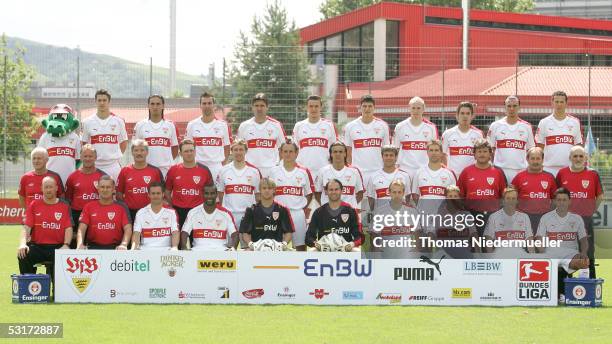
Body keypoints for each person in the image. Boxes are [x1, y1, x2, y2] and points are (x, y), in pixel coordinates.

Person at [556, 145, 603, 278]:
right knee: (565, 254)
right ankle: (563, 289)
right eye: (575, 156)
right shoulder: (562, 173)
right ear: (570, 158)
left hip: (585, 221)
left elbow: (599, 196)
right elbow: (556, 196)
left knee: (588, 254)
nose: (578, 159)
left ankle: (591, 287)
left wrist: (591, 210)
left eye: (581, 156)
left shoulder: (593, 174)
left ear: (586, 158)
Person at [535, 187, 590, 298]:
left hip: (570, 254)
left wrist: (583, 253)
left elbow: (583, 239)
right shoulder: (546, 217)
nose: (561, 203)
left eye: (564, 200)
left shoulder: (577, 218)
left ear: (570, 201)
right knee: (552, 265)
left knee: (584, 262)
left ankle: (580, 294)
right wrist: (542, 254)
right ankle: (559, 293)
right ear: (554, 201)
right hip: (551, 253)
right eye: (559, 200)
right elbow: (539, 238)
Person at [17, 177, 71, 281]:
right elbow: (26, 227)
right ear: (42, 188)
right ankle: (29, 286)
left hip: (57, 247)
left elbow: (68, 227)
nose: (48, 190)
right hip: (38, 247)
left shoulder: (64, 205)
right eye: (46, 187)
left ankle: (58, 289)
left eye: (51, 187)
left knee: (64, 257)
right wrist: (22, 243)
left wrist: (66, 245)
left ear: (56, 188)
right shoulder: (34, 204)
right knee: (23, 254)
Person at [268, 140, 314, 251]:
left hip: (297, 213)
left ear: (296, 153)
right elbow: (268, 192)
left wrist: (302, 207)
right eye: (285, 151)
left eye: (291, 151)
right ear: (281, 153)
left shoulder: (304, 171)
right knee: (275, 245)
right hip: (277, 213)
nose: (288, 154)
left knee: (300, 246)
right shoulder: (273, 171)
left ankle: (300, 267)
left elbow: (309, 193)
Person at [457, 139, 507, 236]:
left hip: (492, 215)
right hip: (472, 215)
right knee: (473, 247)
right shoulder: (466, 172)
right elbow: (460, 197)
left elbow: (504, 196)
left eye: (485, 151)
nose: (482, 154)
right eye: (479, 151)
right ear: (474, 154)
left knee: (489, 247)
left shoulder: (498, 172)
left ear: (490, 154)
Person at [343, 94, 390, 188]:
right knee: (359, 201)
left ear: (374, 108)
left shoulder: (383, 126)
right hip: (358, 172)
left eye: (370, 106)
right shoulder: (350, 126)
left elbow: (387, 151)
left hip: (378, 171)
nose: (367, 109)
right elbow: (348, 152)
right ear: (360, 108)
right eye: (364, 106)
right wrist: (349, 170)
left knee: (378, 201)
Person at [81, 89, 128, 181]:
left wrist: (113, 156)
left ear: (109, 102)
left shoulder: (119, 121)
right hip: (95, 166)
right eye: (99, 100)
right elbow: (84, 144)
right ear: (95, 102)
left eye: (104, 100)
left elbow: (124, 142)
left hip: (113, 166)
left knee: (114, 193)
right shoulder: (87, 122)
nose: (102, 103)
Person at [165, 139, 213, 228]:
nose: (189, 153)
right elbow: (167, 191)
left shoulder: (204, 170)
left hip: (198, 211)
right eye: (186, 151)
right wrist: (173, 206)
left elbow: (211, 193)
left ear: (195, 152)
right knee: (178, 240)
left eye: (191, 150)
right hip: (178, 210)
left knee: (197, 241)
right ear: (181, 154)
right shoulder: (173, 170)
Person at [65, 145, 108, 243]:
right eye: (85, 156)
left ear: (95, 158)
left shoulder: (103, 176)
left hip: (98, 214)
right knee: (76, 242)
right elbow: (68, 199)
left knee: (96, 242)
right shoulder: (73, 177)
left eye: (90, 156)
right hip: (77, 214)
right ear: (80, 157)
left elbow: (108, 197)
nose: (87, 159)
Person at [184, 92, 231, 181]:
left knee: (217, 194)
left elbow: (227, 147)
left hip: (217, 168)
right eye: (204, 103)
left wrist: (222, 164)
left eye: (209, 103)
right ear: (200, 106)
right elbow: (186, 147)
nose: (207, 106)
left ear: (214, 105)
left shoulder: (223, 125)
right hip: (198, 166)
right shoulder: (192, 124)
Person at [487, 95, 535, 182]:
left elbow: (531, 150)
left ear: (519, 107)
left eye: (514, 106)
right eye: (509, 106)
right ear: (505, 107)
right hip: (500, 170)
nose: (511, 109)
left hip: (521, 170)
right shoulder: (495, 126)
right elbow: (489, 149)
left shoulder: (526, 126)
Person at [236, 93, 286, 178]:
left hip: (271, 170)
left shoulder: (276, 125)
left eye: (262, 105)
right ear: (252, 107)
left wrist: (279, 167)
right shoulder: (244, 126)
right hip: (249, 170)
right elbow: (237, 149)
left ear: (267, 107)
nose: (259, 108)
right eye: (256, 105)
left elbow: (284, 148)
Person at [76, 175, 132, 250]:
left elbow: (128, 228)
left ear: (113, 189)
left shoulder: (122, 207)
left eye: (108, 187)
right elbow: (81, 228)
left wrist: (124, 244)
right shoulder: (88, 206)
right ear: (98, 189)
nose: (105, 190)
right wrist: (80, 244)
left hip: (116, 248)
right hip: (92, 247)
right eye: (102, 187)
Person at [217, 139, 262, 230]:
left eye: (241, 149)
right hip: (229, 214)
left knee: (247, 244)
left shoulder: (254, 171)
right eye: (235, 150)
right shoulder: (223, 170)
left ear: (246, 151)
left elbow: (258, 195)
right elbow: (220, 194)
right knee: (229, 244)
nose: (238, 152)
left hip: (248, 215)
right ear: (231, 151)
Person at [306, 179, 362, 251]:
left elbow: (360, 236)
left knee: (358, 251)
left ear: (342, 191)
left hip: (345, 249)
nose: (334, 192)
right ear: (326, 191)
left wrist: (352, 244)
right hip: (324, 249)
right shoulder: (318, 212)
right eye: (331, 190)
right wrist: (316, 244)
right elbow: (308, 237)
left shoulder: (351, 211)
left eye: (336, 189)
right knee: (312, 251)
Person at [536, 91, 583, 176]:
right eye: (556, 102)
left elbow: (578, 146)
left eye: (562, 102)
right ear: (552, 103)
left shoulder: (575, 122)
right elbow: (539, 147)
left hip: (569, 168)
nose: (559, 104)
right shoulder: (544, 122)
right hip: (548, 168)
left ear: (566, 103)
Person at [511, 147, 557, 232]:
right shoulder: (519, 177)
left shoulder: (550, 177)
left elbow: (555, 199)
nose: (535, 162)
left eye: (538, 158)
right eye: (532, 158)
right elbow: (510, 199)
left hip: (544, 218)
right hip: (523, 218)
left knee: (542, 244)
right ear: (527, 159)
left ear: (542, 159)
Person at [239, 178, 294, 249]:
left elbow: (288, 232)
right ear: (260, 190)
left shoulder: (282, 210)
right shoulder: (251, 210)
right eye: (264, 188)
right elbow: (245, 232)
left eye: (270, 188)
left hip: (276, 249)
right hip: (257, 249)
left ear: (274, 190)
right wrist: (251, 244)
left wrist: (284, 244)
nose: (267, 190)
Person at [292, 95, 338, 181]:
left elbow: (335, 149)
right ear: (307, 107)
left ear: (321, 107)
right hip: (303, 171)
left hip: (324, 170)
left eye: (316, 106)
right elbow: (293, 150)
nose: (313, 109)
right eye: (311, 106)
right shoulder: (299, 126)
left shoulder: (329, 125)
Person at [393, 96, 438, 183]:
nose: (416, 110)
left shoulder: (431, 127)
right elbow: (396, 149)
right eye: (413, 108)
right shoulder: (400, 126)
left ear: (423, 109)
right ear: (409, 108)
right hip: (404, 169)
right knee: (405, 196)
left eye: (418, 108)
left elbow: (435, 150)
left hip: (424, 168)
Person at [116, 139, 164, 221]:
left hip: (151, 212)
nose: (139, 153)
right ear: (132, 152)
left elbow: (162, 193)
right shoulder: (125, 171)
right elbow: (119, 193)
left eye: (142, 150)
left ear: (147, 152)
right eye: (136, 150)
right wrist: (126, 207)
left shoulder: (155, 171)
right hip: (131, 213)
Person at [370, 179, 420, 256]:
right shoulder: (379, 212)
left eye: (399, 192)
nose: (397, 195)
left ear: (403, 193)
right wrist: (376, 254)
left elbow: (417, 235)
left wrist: (415, 254)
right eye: (394, 192)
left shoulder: (412, 211)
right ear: (389, 193)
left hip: (406, 255)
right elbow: (374, 235)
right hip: (386, 255)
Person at [181, 184, 238, 251]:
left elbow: (235, 234)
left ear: (216, 194)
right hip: (197, 251)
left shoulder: (226, 214)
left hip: (221, 252)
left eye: (212, 193)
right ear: (202, 194)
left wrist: (233, 248)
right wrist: (184, 248)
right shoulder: (193, 212)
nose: (209, 196)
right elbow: (184, 233)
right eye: (206, 193)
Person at [133, 94, 179, 178]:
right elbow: (135, 148)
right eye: (152, 104)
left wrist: (166, 161)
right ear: (148, 106)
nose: (155, 107)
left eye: (158, 104)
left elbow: (175, 148)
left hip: (166, 170)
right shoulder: (140, 125)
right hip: (147, 169)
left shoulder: (170, 125)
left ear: (163, 106)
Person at [37, 104, 81, 186]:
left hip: (70, 181)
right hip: (49, 182)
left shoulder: (75, 137)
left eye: (63, 116)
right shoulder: (45, 136)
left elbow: (78, 160)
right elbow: (39, 159)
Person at [483, 187, 534, 255]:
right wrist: (491, 257)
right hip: (499, 253)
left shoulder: (524, 217)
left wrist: (533, 256)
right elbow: (488, 239)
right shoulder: (493, 217)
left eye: (513, 199)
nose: (511, 201)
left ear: (517, 201)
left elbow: (529, 239)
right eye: (508, 198)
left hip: (519, 253)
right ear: (503, 201)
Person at [315, 141, 364, 209]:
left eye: (340, 152)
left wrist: (350, 207)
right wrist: (325, 207)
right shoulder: (322, 171)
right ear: (331, 154)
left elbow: (360, 193)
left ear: (345, 154)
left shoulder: (354, 171)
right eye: (335, 152)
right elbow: (317, 193)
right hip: (328, 213)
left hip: (348, 214)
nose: (338, 154)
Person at [132, 182, 180, 250]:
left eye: (158, 193)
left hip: (166, 250)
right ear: (149, 195)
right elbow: (136, 233)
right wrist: (134, 247)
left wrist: (175, 247)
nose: (156, 196)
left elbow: (175, 232)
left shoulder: (171, 212)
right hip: (145, 250)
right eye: (153, 193)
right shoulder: (140, 213)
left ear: (163, 194)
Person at [441, 101, 483, 176]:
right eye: (462, 113)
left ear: (472, 116)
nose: (465, 116)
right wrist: (446, 172)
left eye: (468, 113)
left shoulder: (478, 134)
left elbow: (482, 156)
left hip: (472, 176)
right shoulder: (448, 134)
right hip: (453, 176)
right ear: (457, 115)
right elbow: (442, 155)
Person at [367, 145, 411, 212]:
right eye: (386, 155)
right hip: (381, 217)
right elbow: (371, 199)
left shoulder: (405, 176)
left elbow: (407, 198)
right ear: (382, 157)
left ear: (396, 157)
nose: (388, 158)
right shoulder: (373, 177)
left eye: (391, 155)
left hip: (400, 216)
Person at [411, 140, 457, 204]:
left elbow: (454, 197)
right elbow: (415, 195)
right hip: (424, 213)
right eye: (431, 150)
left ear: (441, 153)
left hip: (443, 213)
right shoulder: (419, 173)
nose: (434, 153)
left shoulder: (450, 174)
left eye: (436, 150)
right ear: (427, 152)